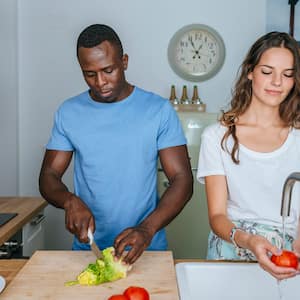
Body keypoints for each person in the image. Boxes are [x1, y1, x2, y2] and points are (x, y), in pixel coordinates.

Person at [39, 24, 193, 265]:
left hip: (146, 249)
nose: (100, 82)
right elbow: (48, 174)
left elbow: (182, 179)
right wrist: (69, 200)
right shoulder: (68, 112)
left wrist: (147, 230)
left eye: (108, 70)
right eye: (90, 74)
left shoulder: (158, 110)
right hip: (88, 250)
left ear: (124, 61)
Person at [197, 31, 300, 279]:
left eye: (287, 75)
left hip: (288, 256)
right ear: (250, 72)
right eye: (267, 72)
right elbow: (217, 216)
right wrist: (249, 240)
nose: (277, 82)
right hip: (233, 248)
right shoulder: (217, 137)